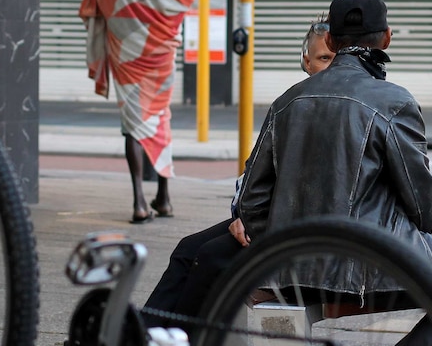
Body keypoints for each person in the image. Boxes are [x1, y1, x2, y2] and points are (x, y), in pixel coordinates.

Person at [235, 0, 432, 346]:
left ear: (330, 39)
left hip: (292, 267)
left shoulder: (286, 102)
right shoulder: (393, 101)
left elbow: (252, 201)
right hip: (376, 263)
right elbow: (422, 203)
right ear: (387, 37)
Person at [142, 19, 333, 325]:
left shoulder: (330, 106)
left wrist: (251, 217)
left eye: (336, 59)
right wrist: (244, 214)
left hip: (304, 229)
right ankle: (144, 333)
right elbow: (256, 169)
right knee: (187, 249)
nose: (331, 67)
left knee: (210, 257)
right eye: (324, 58)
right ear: (306, 62)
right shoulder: (291, 104)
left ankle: (184, 337)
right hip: (276, 219)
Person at [79, 0, 193, 224]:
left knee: (132, 123)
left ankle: (140, 202)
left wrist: (127, 23)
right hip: (160, 51)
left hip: (126, 50)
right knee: (159, 118)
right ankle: (165, 197)